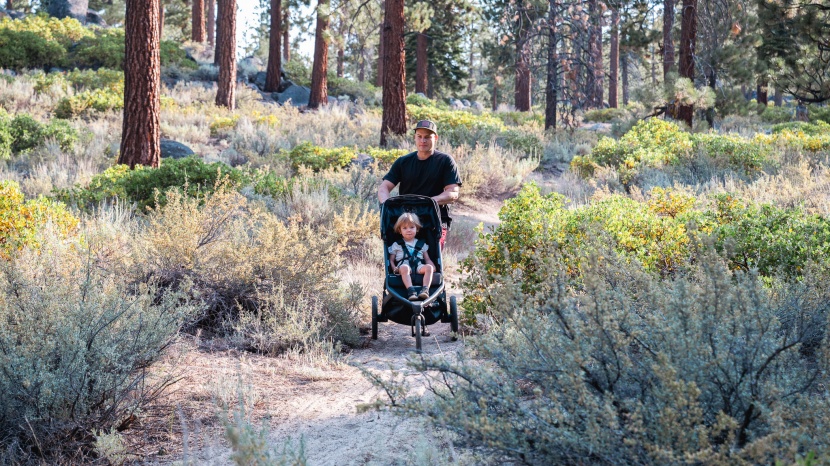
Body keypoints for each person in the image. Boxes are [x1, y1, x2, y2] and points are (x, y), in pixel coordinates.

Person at [377, 120, 462, 247]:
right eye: (420, 136)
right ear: (415, 138)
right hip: (406, 221)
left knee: (432, 262)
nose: (423, 140)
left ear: (435, 138)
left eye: (427, 137)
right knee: (400, 258)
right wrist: (386, 204)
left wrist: (430, 202)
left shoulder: (445, 161)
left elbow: (453, 192)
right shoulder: (403, 162)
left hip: (434, 220)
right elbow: (384, 187)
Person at [388, 213, 435, 301]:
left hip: (419, 266)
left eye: (411, 227)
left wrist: (433, 267)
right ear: (399, 230)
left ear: (417, 229)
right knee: (405, 267)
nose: (408, 230)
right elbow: (391, 260)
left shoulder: (422, 244)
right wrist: (394, 268)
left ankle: (425, 290)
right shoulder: (396, 244)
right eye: (404, 228)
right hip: (403, 266)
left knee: (429, 267)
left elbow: (427, 259)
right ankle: (411, 291)